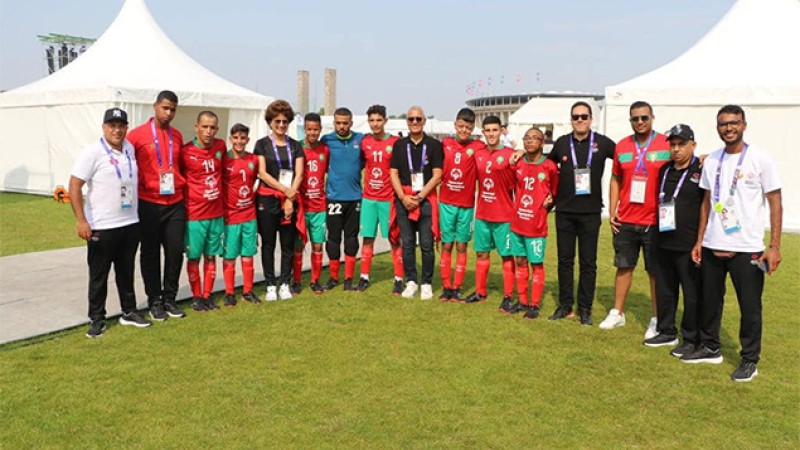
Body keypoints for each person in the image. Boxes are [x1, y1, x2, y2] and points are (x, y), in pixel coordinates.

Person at [687, 105, 782, 382]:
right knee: (710, 301)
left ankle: (750, 360)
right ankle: (710, 347)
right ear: (717, 128)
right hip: (712, 244)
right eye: (723, 124)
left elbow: (775, 202)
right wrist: (699, 240)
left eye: (734, 123)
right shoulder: (712, 161)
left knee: (750, 306)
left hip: (747, 247)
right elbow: (705, 204)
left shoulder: (760, 159)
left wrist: (774, 246)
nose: (729, 128)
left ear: (744, 125)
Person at [69, 107, 151, 337]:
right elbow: (75, 185)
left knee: (126, 271)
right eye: (112, 125)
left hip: (129, 222)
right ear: (104, 127)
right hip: (102, 226)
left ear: (126, 128)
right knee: (99, 275)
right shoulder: (93, 152)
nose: (117, 130)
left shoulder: (129, 149)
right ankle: (97, 318)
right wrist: (81, 220)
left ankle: (129, 312)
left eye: (121, 125)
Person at [600, 101, 670, 335]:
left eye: (644, 118)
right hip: (627, 219)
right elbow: (615, 179)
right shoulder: (622, 146)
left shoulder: (666, 144)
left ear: (652, 117)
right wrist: (613, 209)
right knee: (623, 266)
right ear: (630, 120)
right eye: (635, 119)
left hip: (655, 220)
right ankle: (617, 313)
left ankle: (657, 318)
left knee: (655, 271)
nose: (640, 122)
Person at [546, 102, 615, 325]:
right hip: (564, 210)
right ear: (571, 119)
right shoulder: (562, 143)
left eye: (584, 116)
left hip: (591, 212)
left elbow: (625, 159)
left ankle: (585, 308)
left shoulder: (602, 143)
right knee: (565, 261)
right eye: (575, 117)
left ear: (591, 119)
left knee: (589, 262)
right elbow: (546, 166)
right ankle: (565, 305)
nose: (580, 120)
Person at [126, 90, 187, 321]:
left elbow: (179, 167)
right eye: (165, 108)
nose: (168, 113)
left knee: (174, 252)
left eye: (172, 109)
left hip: (175, 203)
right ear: (155, 106)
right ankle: (154, 300)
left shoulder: (177, 136)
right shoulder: (136, 136)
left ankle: (170, 298)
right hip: (149, 202)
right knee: (150, 254)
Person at [643, 124, 704, 354]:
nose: (676, 149)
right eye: (673, 145)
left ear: (693, 145)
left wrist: (700, 240)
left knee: (691, 294)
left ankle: (690, 339)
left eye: (682, 145)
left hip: (688, 244)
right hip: (662, 240)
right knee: (665, 290)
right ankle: (666, 331)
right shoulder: (665, 169)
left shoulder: (702, 168)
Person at [390, 106, 443, 300]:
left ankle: (427, 282)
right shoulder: (399, 145)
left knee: (427, 244)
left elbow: (438, 175)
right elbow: (393, 173)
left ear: (424, 121)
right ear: (407, 121)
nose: (414, 122)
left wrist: (420, 197)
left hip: (426, 199)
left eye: (418, 119)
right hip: (404, 198)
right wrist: (403, 198)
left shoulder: (434, 145)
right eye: (411, 119)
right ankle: (411, 280)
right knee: (408, 243)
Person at [254, 100, 305, 301]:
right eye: (277, 121)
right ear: (270, 122)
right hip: (268, 200)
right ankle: (270, 285)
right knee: (268, 244)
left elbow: (299, 174)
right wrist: (285, 191)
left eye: (285, 121)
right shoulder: (262, 144)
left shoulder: (295, 145)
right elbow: (262, 173)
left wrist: (290, 198)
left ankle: (284, 282)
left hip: (290, 199)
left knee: (287, 244)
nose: (281, 125)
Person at [463, 115, 517, 306]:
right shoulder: (479, 153)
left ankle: (508, 296)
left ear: (501, 131)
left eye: (495, 130)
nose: (491, 134)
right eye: (488, 130)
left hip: (504, 215)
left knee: (507, 256)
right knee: (481, 254)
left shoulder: (512, 154)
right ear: (483, 132)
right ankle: (480, 292)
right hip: (483, 214)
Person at [506, 127, 558, 319]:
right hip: (517, 222)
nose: (530, 141)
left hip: (536, 224)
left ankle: (534, 304)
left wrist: (550, 203)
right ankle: (522, 301)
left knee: (536, 263)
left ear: (542, 143)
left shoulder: (550, 167)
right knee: (520, 261)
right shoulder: (517, 164)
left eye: (535, 138)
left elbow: (555, 192)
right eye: (527, 138)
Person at [181, 111, 227, 312]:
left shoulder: (220, 146)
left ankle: (208, 295)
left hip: (216, 214)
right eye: (205, 127)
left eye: (213, 127)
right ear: (196, 127)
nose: (209, 131)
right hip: (195, 216)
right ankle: (196, 296)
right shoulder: (185, 151)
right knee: (194, 257)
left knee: (211, 256)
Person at [438, 108, 484, 302]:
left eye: (468, 127)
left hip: (466, 204)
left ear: (473, 128)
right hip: (446, 202)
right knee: (446, 244)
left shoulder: (479, 146)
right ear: (455, 125)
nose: (464, 130)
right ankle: (446, 286)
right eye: (461, 126)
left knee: (462, 246)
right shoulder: (445, 144)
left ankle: (457, 287)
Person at [359, 104, 403, 292]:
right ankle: (364, 277)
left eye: (378, 120)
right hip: (369, 199)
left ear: (385, 120)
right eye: (371, 120)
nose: (375, 124)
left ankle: (399, 278)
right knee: (367, 238)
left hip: (388, 199)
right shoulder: (364, 142)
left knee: (395, 239)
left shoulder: (395, 142)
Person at [320, 107, 365, 291]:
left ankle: (348, 279)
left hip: (354, 198)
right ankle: (333, 277)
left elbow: (365, 160)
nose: (342, 126)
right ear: (334, 123)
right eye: (338, 123)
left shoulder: (360, 140)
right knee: (333, 238)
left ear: (351, 123)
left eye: (345, 123)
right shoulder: (327, 140)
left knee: (352, 238)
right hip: (334, 198)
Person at [221, 123, 260, 306]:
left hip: (249, 216)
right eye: (235, 138)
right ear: (230, 139)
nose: (239, 141)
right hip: (230, 217)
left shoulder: (253, 159)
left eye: (243, 138)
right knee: (229, 257)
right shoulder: (223, 160)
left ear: (247, 140)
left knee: (248, 255)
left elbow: (263, 178)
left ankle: (248, 291)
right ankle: (229, 293)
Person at [293, 113, 330, 294]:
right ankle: (297, 281)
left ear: (320, 129)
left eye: (316, 129)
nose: (312, 132)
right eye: (309, 129)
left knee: (317, 244)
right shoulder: (296, 148)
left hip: (319, 206)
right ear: (304, 129)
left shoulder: (325, 150)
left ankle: (315, 281)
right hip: (301, 206)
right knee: (298, 244)